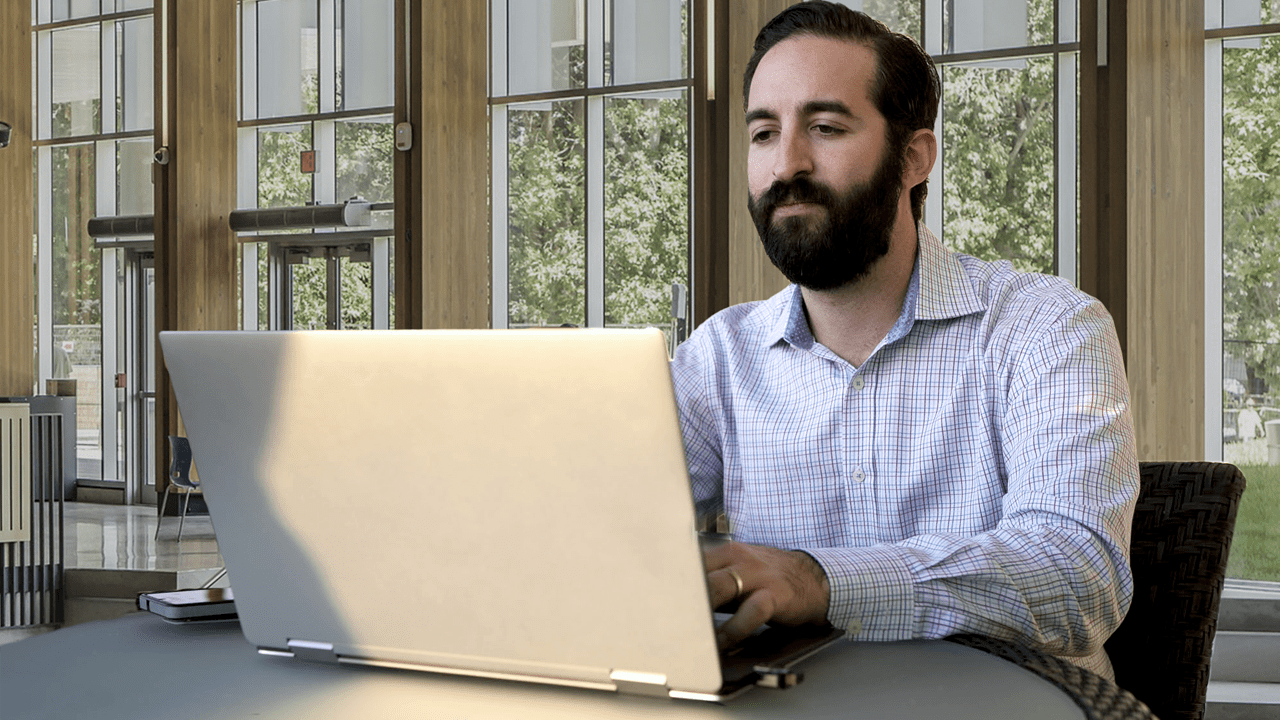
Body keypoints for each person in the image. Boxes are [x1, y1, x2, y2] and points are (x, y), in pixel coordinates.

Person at [670, 1, 1138, 680]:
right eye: (764, 133)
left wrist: (820, 581)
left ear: (913, 157)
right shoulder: (718, 357)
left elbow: (1076, 577)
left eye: (826, 127)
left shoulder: (1048, 327)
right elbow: (606, 532)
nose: (787, 163)